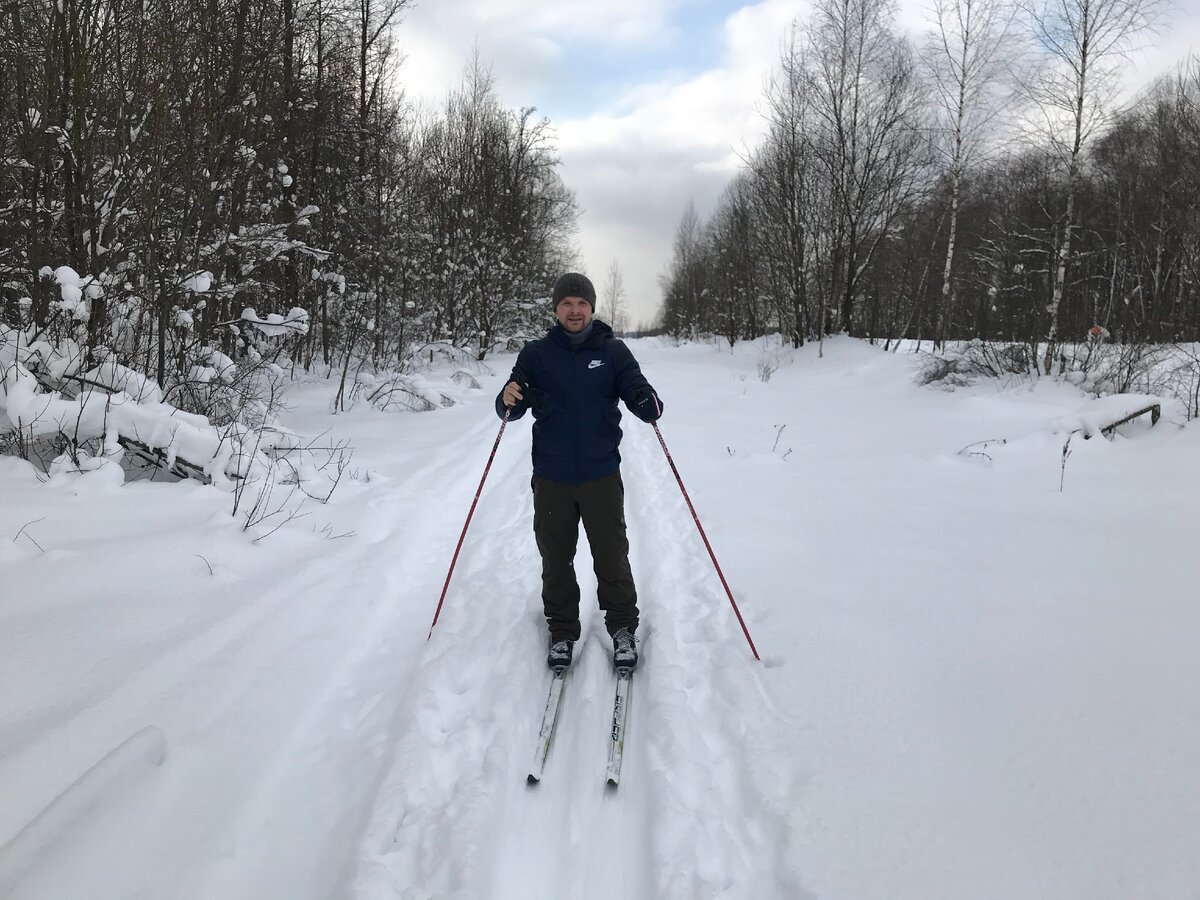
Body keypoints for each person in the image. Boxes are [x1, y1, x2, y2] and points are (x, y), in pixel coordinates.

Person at [496, 272, 663, 673]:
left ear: (592, 308)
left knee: (611, 554)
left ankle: (622, 627)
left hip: (600, 474)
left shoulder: (613, 352)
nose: (575, 310)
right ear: (556, 309)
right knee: (556, 557)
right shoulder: (536, 354)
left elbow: (644, 396)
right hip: (551, 475)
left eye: (582, 304)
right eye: (567, 303)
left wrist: (645, 401)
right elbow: (509, 408)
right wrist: (508, 398)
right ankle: (562, 629)